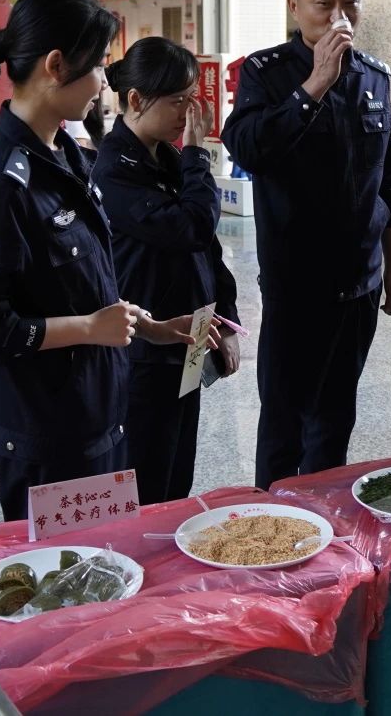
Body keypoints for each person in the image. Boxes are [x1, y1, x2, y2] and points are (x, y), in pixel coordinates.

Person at [0, 0, 201, 520]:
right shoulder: (3, 181)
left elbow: (81, 281)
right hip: (47, 434)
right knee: (65, 569)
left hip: (97, 414)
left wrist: (143, 325)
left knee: (107, 557)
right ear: (56, 65)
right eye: (98, 64)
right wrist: (88, 328)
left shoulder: (66, 154)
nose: (103, 80)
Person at [222, 0, 391, 488]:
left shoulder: (375, 76)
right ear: (296, 6)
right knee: (284, 422)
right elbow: (248, 148)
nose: (338, 16)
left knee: (335, 419)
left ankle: (323, 519)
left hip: (359, 287)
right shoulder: (265, 72)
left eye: (350, 3)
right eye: (324, 3)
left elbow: (389, 181)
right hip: (296, 287)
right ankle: (272, 521)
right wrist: (315, 85)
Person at [93, 37, 241, 505]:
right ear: (136, 100)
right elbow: (192, 227)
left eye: (192, 98)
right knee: (147, 480)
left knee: (179, 471)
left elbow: (209, 249)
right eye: (178, 100)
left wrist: (227, 322)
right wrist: (198, 155)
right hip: (146, 347)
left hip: (190, 339)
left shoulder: (166, 156)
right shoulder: (114, 169)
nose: (189, 113)